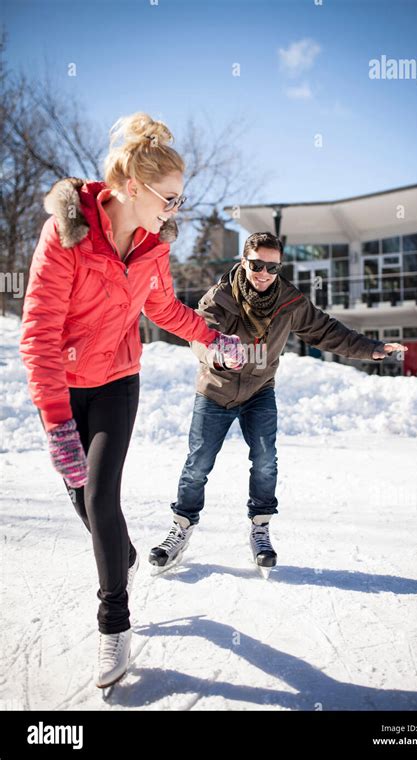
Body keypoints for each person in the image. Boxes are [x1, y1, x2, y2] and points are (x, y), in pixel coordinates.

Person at [19, 112, 243, 688]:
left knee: (99, 496)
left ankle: (113, 623)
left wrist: (213, 337)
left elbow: (162, 308)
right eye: (170, 197)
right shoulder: (67, 236)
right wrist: (55, 425)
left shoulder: (151, 248)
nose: (176, 208)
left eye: (180, 197)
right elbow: (39, 334)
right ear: (135, 188)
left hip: (118, 379)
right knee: (90, 509)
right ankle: (124, 554)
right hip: (65, 390)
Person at [149, 232, 407, 576]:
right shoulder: (220, 298)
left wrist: (371, 348)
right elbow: (199, 335)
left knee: (265, 460)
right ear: (244, 262)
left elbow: (325, 331)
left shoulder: (289, 301)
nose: (264, 273)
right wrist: (218, 357)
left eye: (272, 266)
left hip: (259, 390)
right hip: (216, 390)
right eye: (257, 265)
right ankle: (181, 528)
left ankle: (260, 528)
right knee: (198, 464)